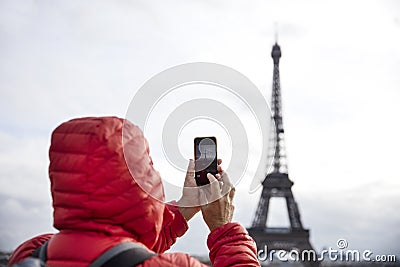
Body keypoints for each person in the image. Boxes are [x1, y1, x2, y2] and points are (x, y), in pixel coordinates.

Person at [8, 117, 259, 267]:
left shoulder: (31, 253)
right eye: (148, 165)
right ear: (140, 179)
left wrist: (182, 210)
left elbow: (117, 246)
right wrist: (223, 228)